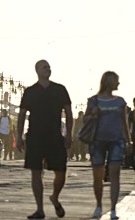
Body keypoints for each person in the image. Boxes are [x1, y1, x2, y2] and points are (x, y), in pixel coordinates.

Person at [16, 60, 72, 220]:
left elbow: (68, 113)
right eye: (44, 67)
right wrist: (19, 137)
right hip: (35, 136)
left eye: (49, 67)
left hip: (55, 136)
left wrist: (69, 135)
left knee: (61, 171)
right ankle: (39, 209)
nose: (48, 69)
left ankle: (55, 197)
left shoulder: (59, 90)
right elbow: (21, 116)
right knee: (36, 172)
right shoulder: (30, 92)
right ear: (37, 71)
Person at [84, 71, 132, 220]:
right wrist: (93, 114)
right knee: (97, 176)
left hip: (116, 141)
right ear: (109, 82)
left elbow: (124, 123)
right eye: (116, 81)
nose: (118, 84)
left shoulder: (120, 102)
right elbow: (85, 120)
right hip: (97, 140)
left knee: (114, 175)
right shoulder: (94, 101)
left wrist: (128, 141)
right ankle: (98, 206)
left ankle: (112, 209)